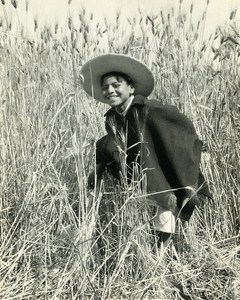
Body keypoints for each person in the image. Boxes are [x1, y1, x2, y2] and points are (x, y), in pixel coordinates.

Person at [81, 53, 211, 250]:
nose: (110, 90)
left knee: (164, 199)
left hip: (156, 164)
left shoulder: (148, 108)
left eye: (116, 85)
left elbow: (176, 122)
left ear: (131, 87)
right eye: (105, 87)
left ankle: (161, 255)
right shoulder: (112, 118)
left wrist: (192, 142)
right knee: (104, 145)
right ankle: (148, 249)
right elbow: (115, 144)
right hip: (135, 170)